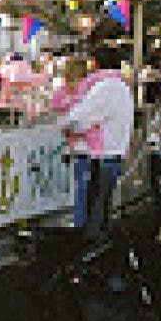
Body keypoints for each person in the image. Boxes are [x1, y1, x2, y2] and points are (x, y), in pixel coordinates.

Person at [58, 47, 134, 242]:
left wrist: (64, 124)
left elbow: (78, 120)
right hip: (111, 157)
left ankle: (87, 259)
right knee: (101, 212)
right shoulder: (121, 87)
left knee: (91, 217)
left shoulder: (105, 88)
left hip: (98, 160)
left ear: (95, 64)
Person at [50, 56, 96, 230]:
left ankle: (81, 223)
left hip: (84, 146)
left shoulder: (89, 92)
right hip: (75, 146)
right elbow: (55, 111)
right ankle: (81, 223)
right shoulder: (66, 92)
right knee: (81, 187)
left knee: (82, 187)